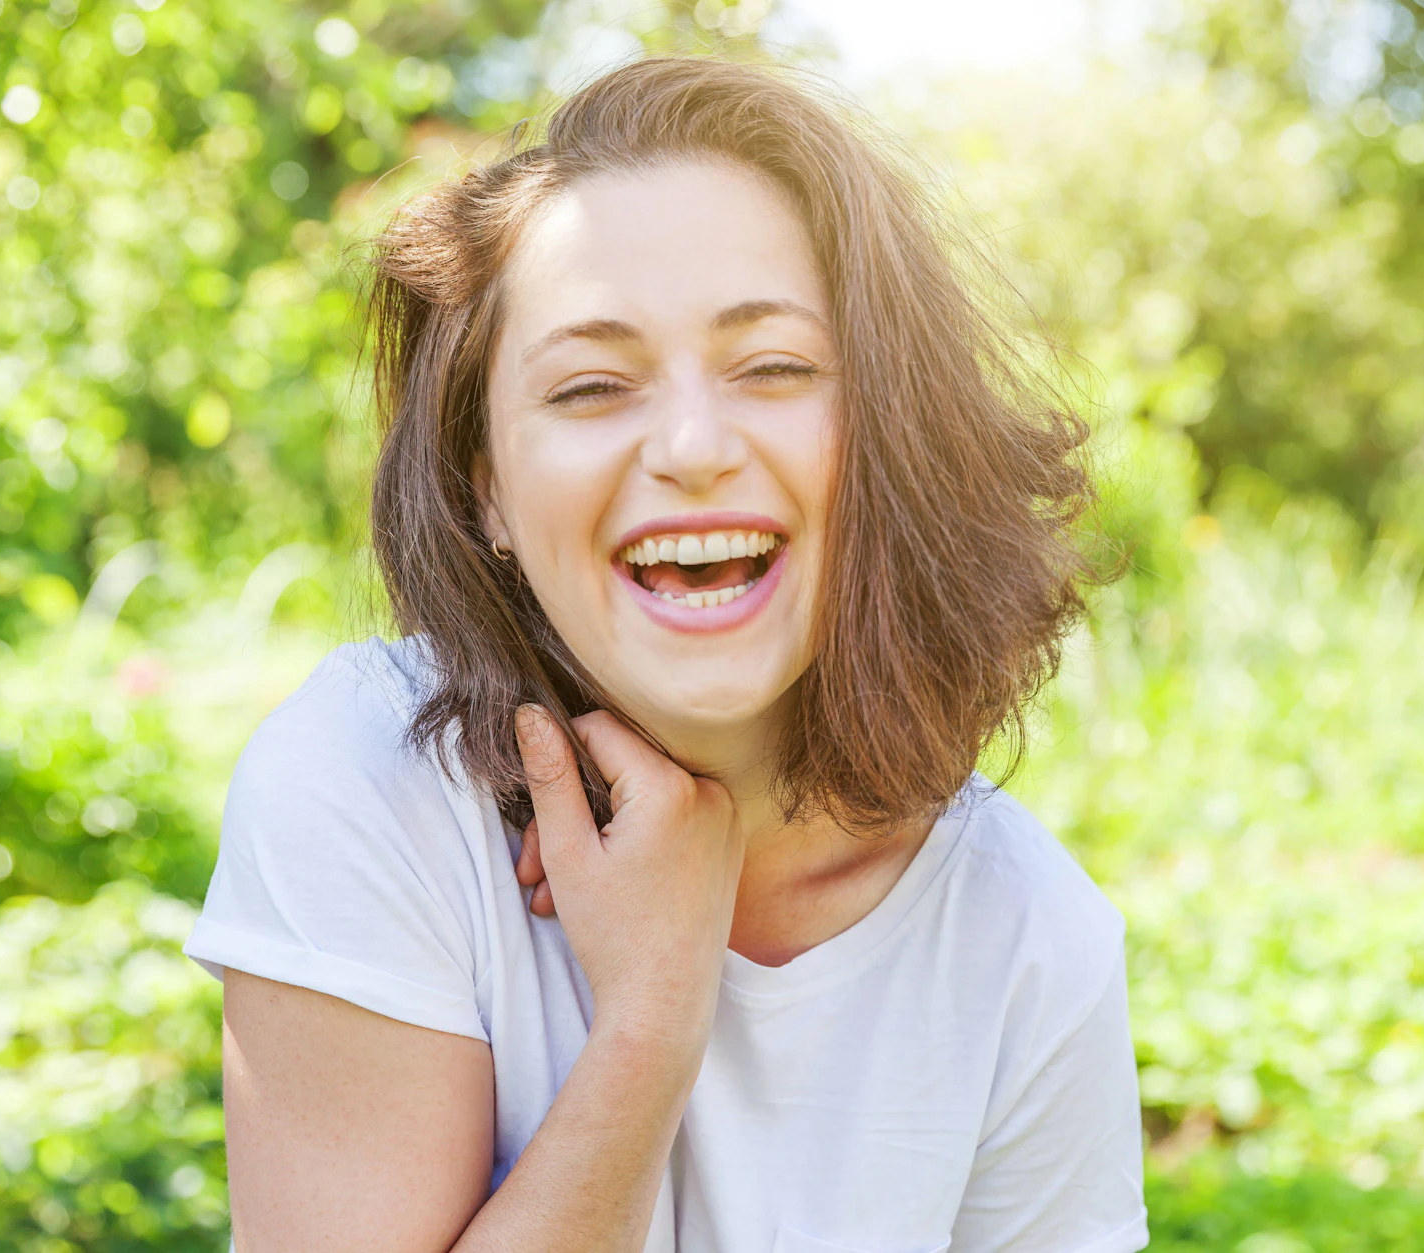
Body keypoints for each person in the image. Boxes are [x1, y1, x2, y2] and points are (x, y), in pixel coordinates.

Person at [182, 56, 1146, 1253]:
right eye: (591, 385)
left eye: (775, 367)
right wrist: (646, 1024)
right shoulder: (367, 786)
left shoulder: (1026, 935)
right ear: (485, 485)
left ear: (894, 434)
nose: (693, 444)